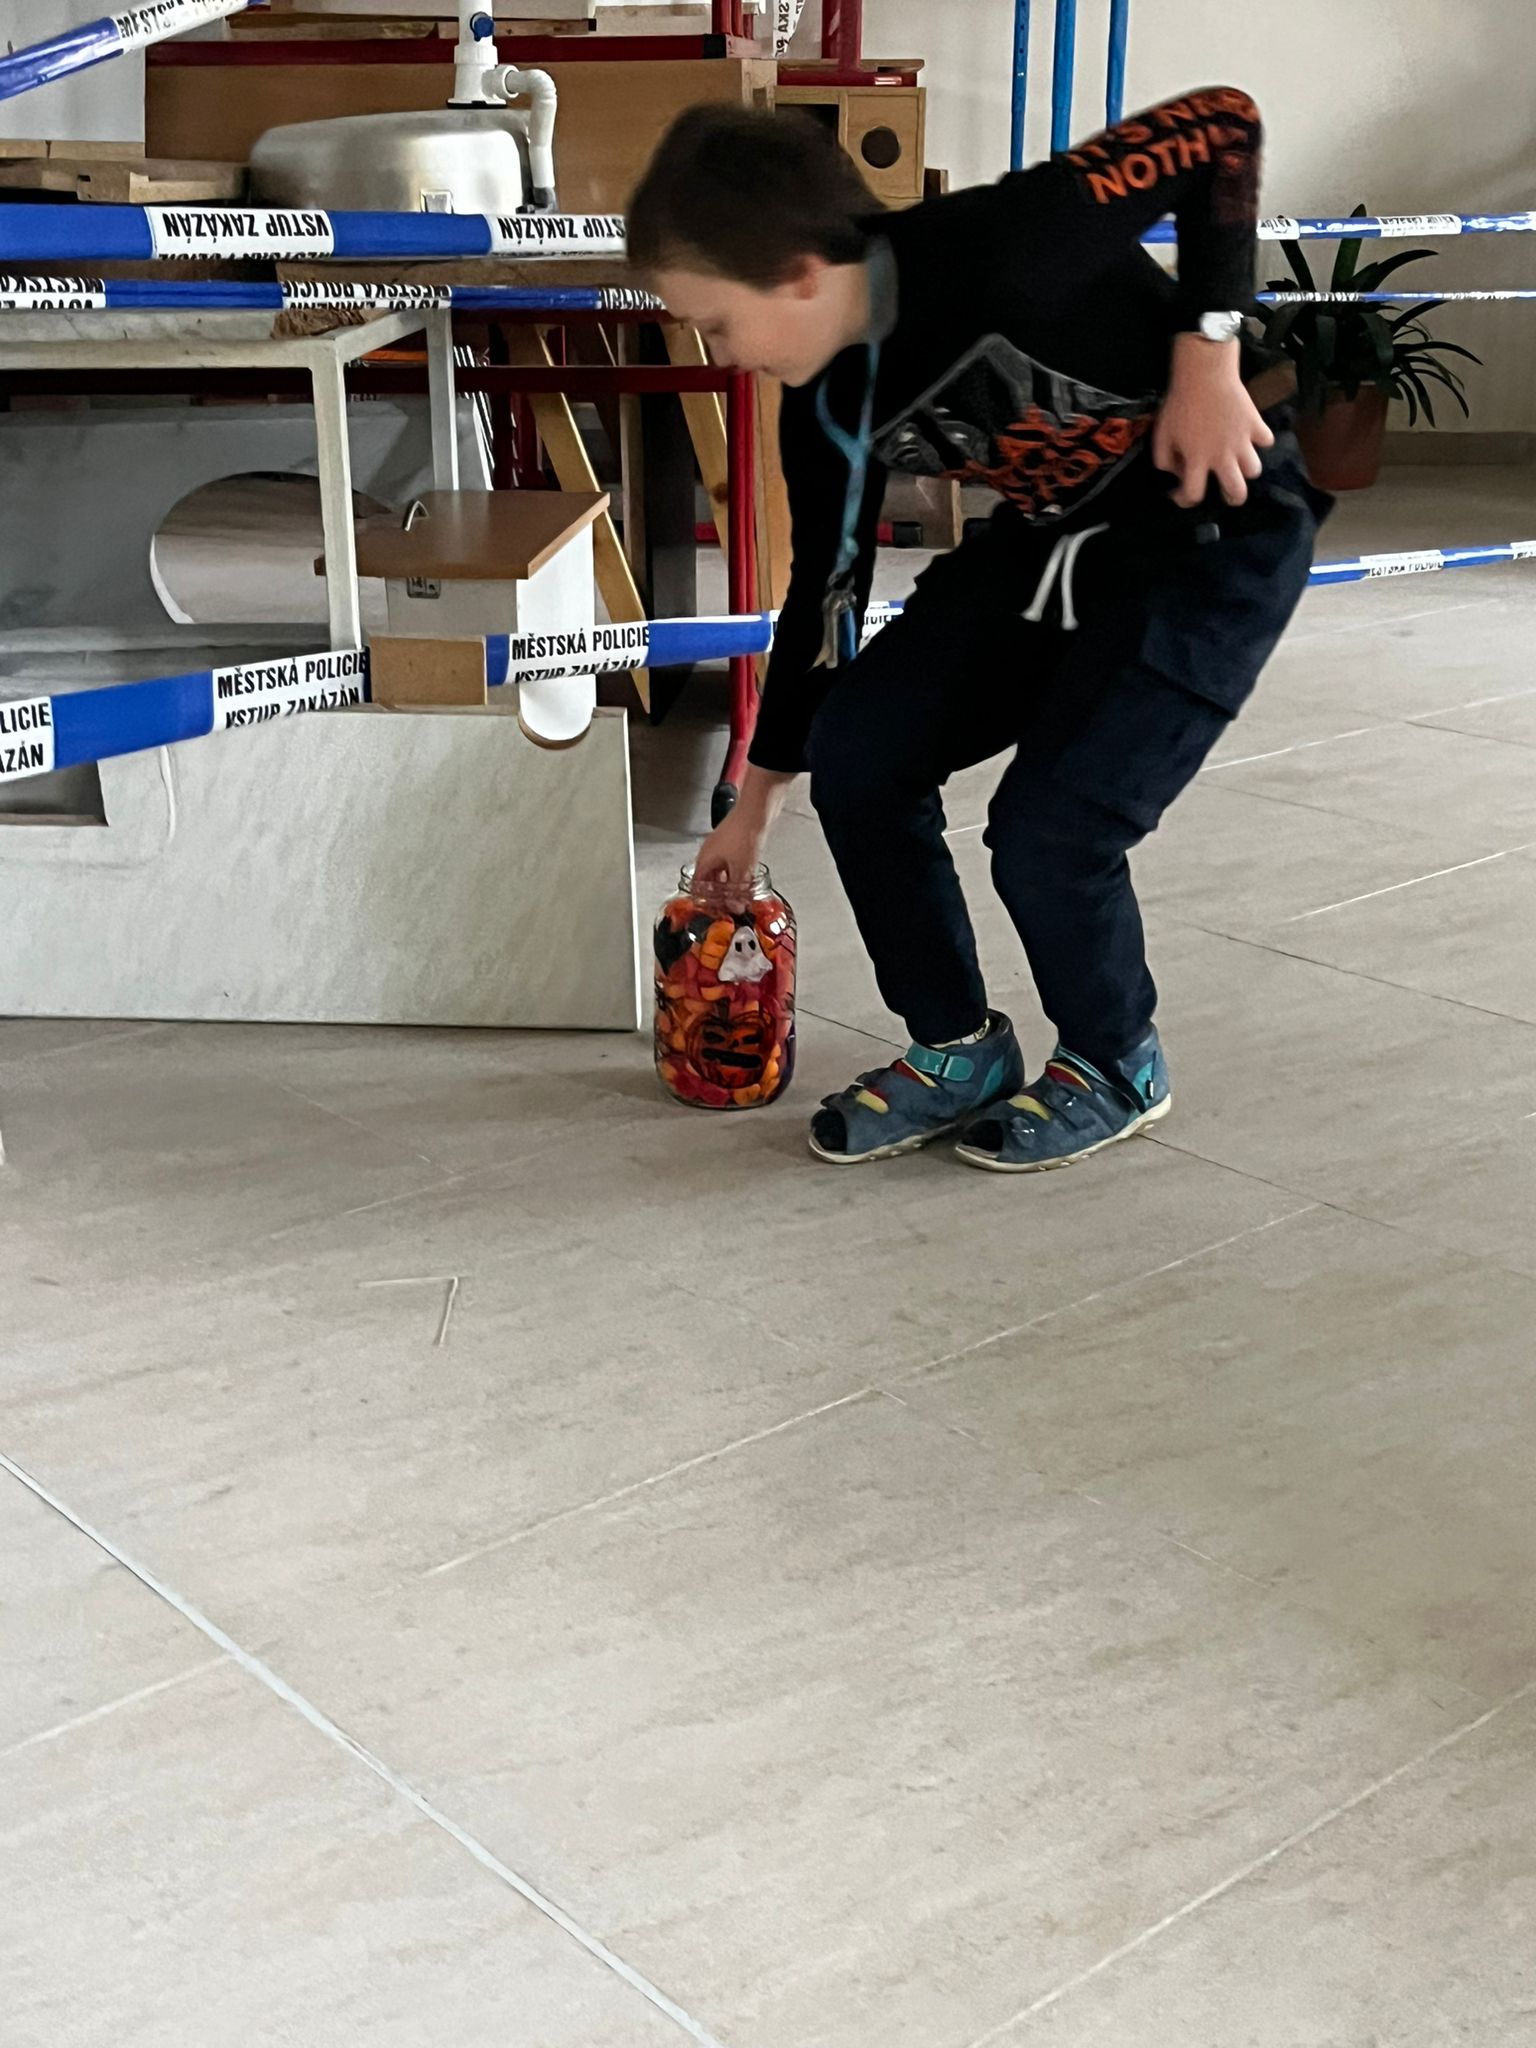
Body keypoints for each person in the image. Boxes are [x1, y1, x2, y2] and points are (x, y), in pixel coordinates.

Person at [626, 88, 1329, 1172]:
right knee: (861, 751)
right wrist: (751, 811)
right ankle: (957, 1046)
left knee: (1050, 831)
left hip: (1211, 535)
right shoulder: (828, 405)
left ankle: (1116, 1061)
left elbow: (1221, 128)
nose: (723, 354)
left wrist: (1208, 350)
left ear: (799, 273)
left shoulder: (1001, 241)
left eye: (718, 323)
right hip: (1055, 540)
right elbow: (826, 598)